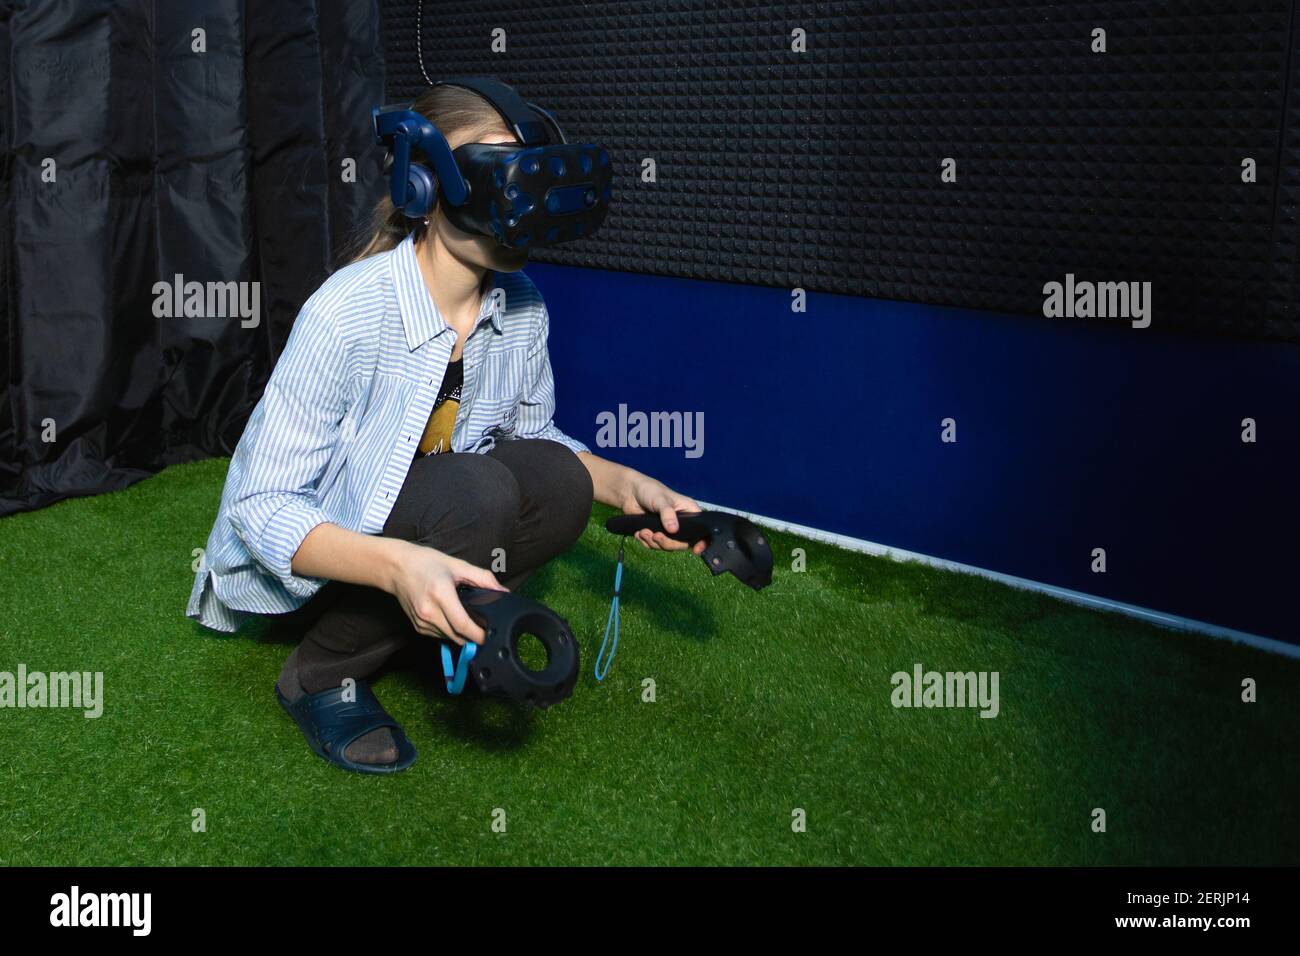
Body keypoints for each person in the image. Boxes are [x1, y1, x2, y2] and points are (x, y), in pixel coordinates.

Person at [187, 83, 703, 773]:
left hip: (434, 539)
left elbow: (538, 441)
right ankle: (323, 672)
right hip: (320, 566)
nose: (524, 206)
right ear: (425, 183)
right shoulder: (346, 313)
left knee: (558, 481)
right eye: (501, 179)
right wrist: (400, 567)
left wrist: (629, 484)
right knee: (477, 491)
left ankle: (441, 630)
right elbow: (259, 508)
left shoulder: (522, 307)